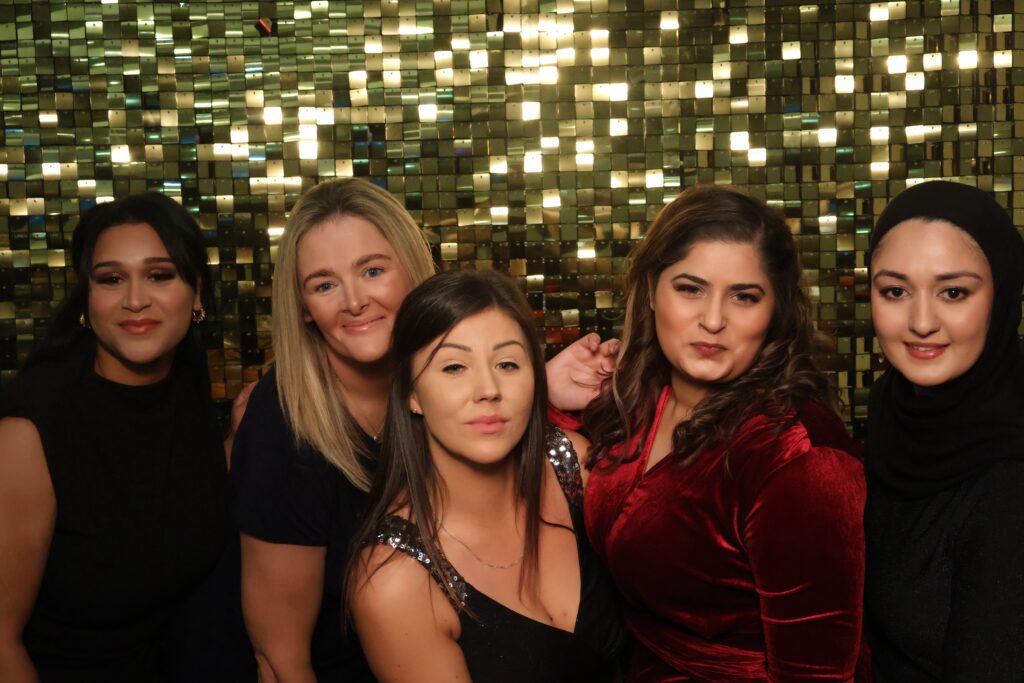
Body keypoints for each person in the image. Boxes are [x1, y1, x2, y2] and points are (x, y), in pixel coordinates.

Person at [231, 177, 617, 681]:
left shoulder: (545, 447)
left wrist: (534, 387)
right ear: (303, 306)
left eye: (372, 270)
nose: (354, 301)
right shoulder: (283, 427)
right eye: (324, 285)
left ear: (413, 269)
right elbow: (279, 656)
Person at [576, 185, 869, 681]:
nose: (713, 320)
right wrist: (545, 388)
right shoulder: (637, 398)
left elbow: (816, 675)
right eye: (690, 289)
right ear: (651, 291)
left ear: (775, 311)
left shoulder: (798, 456)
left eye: (744, 297)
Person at [0, 193, 252, 682]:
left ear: (196, 293)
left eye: (160, 275)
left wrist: (242, 441)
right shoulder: (29, 431)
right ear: (86, 297)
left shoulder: (183, 375)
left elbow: (157, 496)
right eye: (111, 279)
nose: (135, 300)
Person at [347, 269, 623, 682]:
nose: (488, 389)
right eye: (454, 367)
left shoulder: (572, 464)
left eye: (508, 364)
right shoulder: (394, 583)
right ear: (411, 393)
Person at [864, 180, 1024, 681]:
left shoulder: (1010, 482)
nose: (921, 322)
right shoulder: (891, 410)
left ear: (1003, 295)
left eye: (954, 292)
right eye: (895, 291)